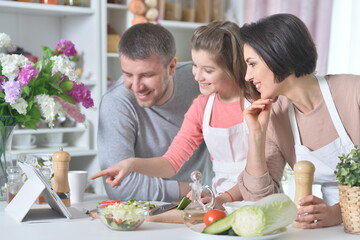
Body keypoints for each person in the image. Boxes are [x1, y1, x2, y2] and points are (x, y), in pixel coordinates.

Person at [91, 20, 259, 208]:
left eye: (208, 70)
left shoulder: (259, 102)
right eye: (195, 66)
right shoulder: (202, 105)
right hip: (218, 201)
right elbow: (171, 162)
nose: (196, 76)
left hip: (256, 195)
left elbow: (264, 167)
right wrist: (131, 164)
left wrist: (223, 197)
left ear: (233, 66)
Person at [238, 13, 360, 228]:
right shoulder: (275, 116)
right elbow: (259, 201)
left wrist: (339, 213)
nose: (247, 76)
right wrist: (257, 136)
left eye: (252, 64)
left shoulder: (353, 92)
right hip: (329, 230)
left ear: (279, 55)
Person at [95, 23, 213, 202]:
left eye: (146, 75)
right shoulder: (116, 103)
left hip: (211, 202)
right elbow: (119, 186)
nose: (136, 87)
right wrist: (195, 190)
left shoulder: (200, 80)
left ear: (171, 66)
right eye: (127, 74)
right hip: (153, 209)